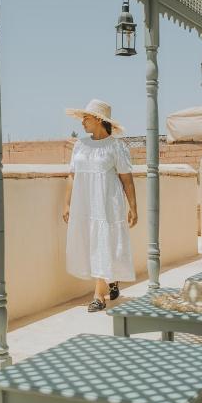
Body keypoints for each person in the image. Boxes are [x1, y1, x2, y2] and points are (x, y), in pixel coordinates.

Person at [63, 99, 138, 312]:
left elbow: (127, 179)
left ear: (98, 119)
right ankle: (111, 282)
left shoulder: (115, 146)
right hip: (84, 205)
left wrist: (133, 207)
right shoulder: (80, 145)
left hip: (107, 204)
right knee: (91, 243)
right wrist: (66, 204)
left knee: (103, 243)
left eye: (85, 118)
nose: (82, 122)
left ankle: (98, 295)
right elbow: (72, 174)